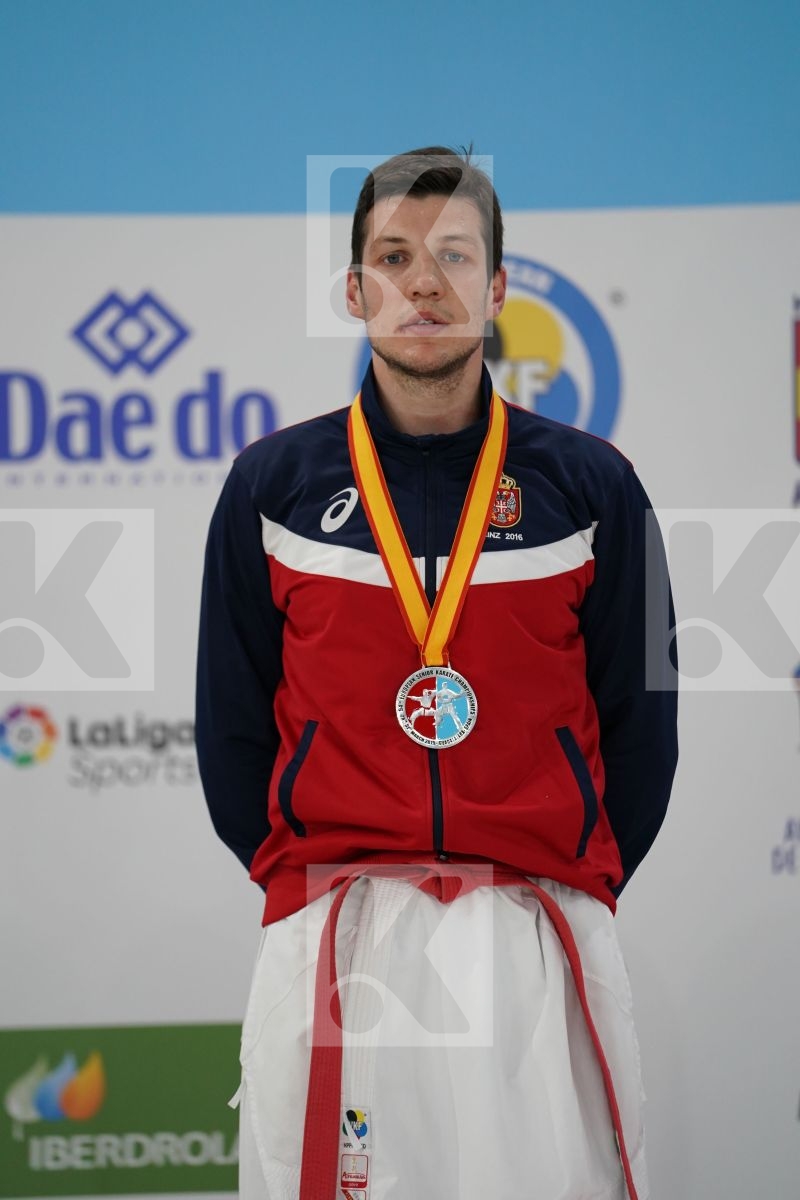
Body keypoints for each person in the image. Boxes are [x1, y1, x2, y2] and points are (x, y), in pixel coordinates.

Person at [196, 146, 678, 1200]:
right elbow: (230, 725)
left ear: (497, 287)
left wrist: (568, 880)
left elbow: (641, 723)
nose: (424, 283)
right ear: (355, 288)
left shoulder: (590, 485)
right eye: (393, 256)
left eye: (454, 256)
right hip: (338, 923)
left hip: (529, 925)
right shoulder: (270, 486)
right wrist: (296, 880)